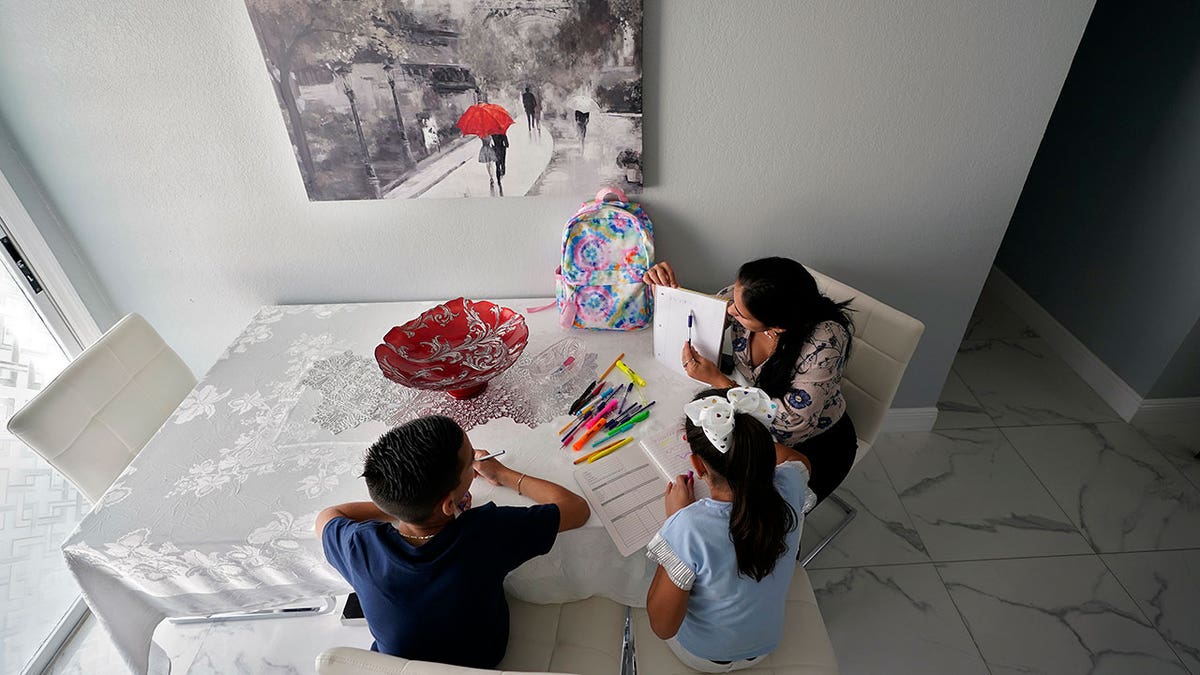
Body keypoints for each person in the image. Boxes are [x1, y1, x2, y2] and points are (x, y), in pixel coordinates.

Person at [316, 416, 590, 669]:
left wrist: (403, 510)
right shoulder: (486, 532)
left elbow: (327, 516)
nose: (475, 462)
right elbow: (576, 509)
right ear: (449, 503)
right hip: (482, 660)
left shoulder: (358, 546)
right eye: (470, 461)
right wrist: (502, 474)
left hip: (401, 669)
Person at [643, 257, 856, 503]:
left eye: (741, 314)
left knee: (750, 515)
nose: (730, 309)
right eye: (733, 298)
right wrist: (670, 293)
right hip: (753, 421)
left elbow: (791, 424)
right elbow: (701, 317)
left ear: (777, 328)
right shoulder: (746, 297)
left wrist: (720, 381)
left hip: (812, 444)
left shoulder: (824, 343)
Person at [645, 387, 815, 672]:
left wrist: (675, 518)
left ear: (698, 465)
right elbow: (800, 460)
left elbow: (662, 626)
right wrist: (751, 451)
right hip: (764, 645)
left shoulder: (688, 528)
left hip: (703, 656)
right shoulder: (791, 484)